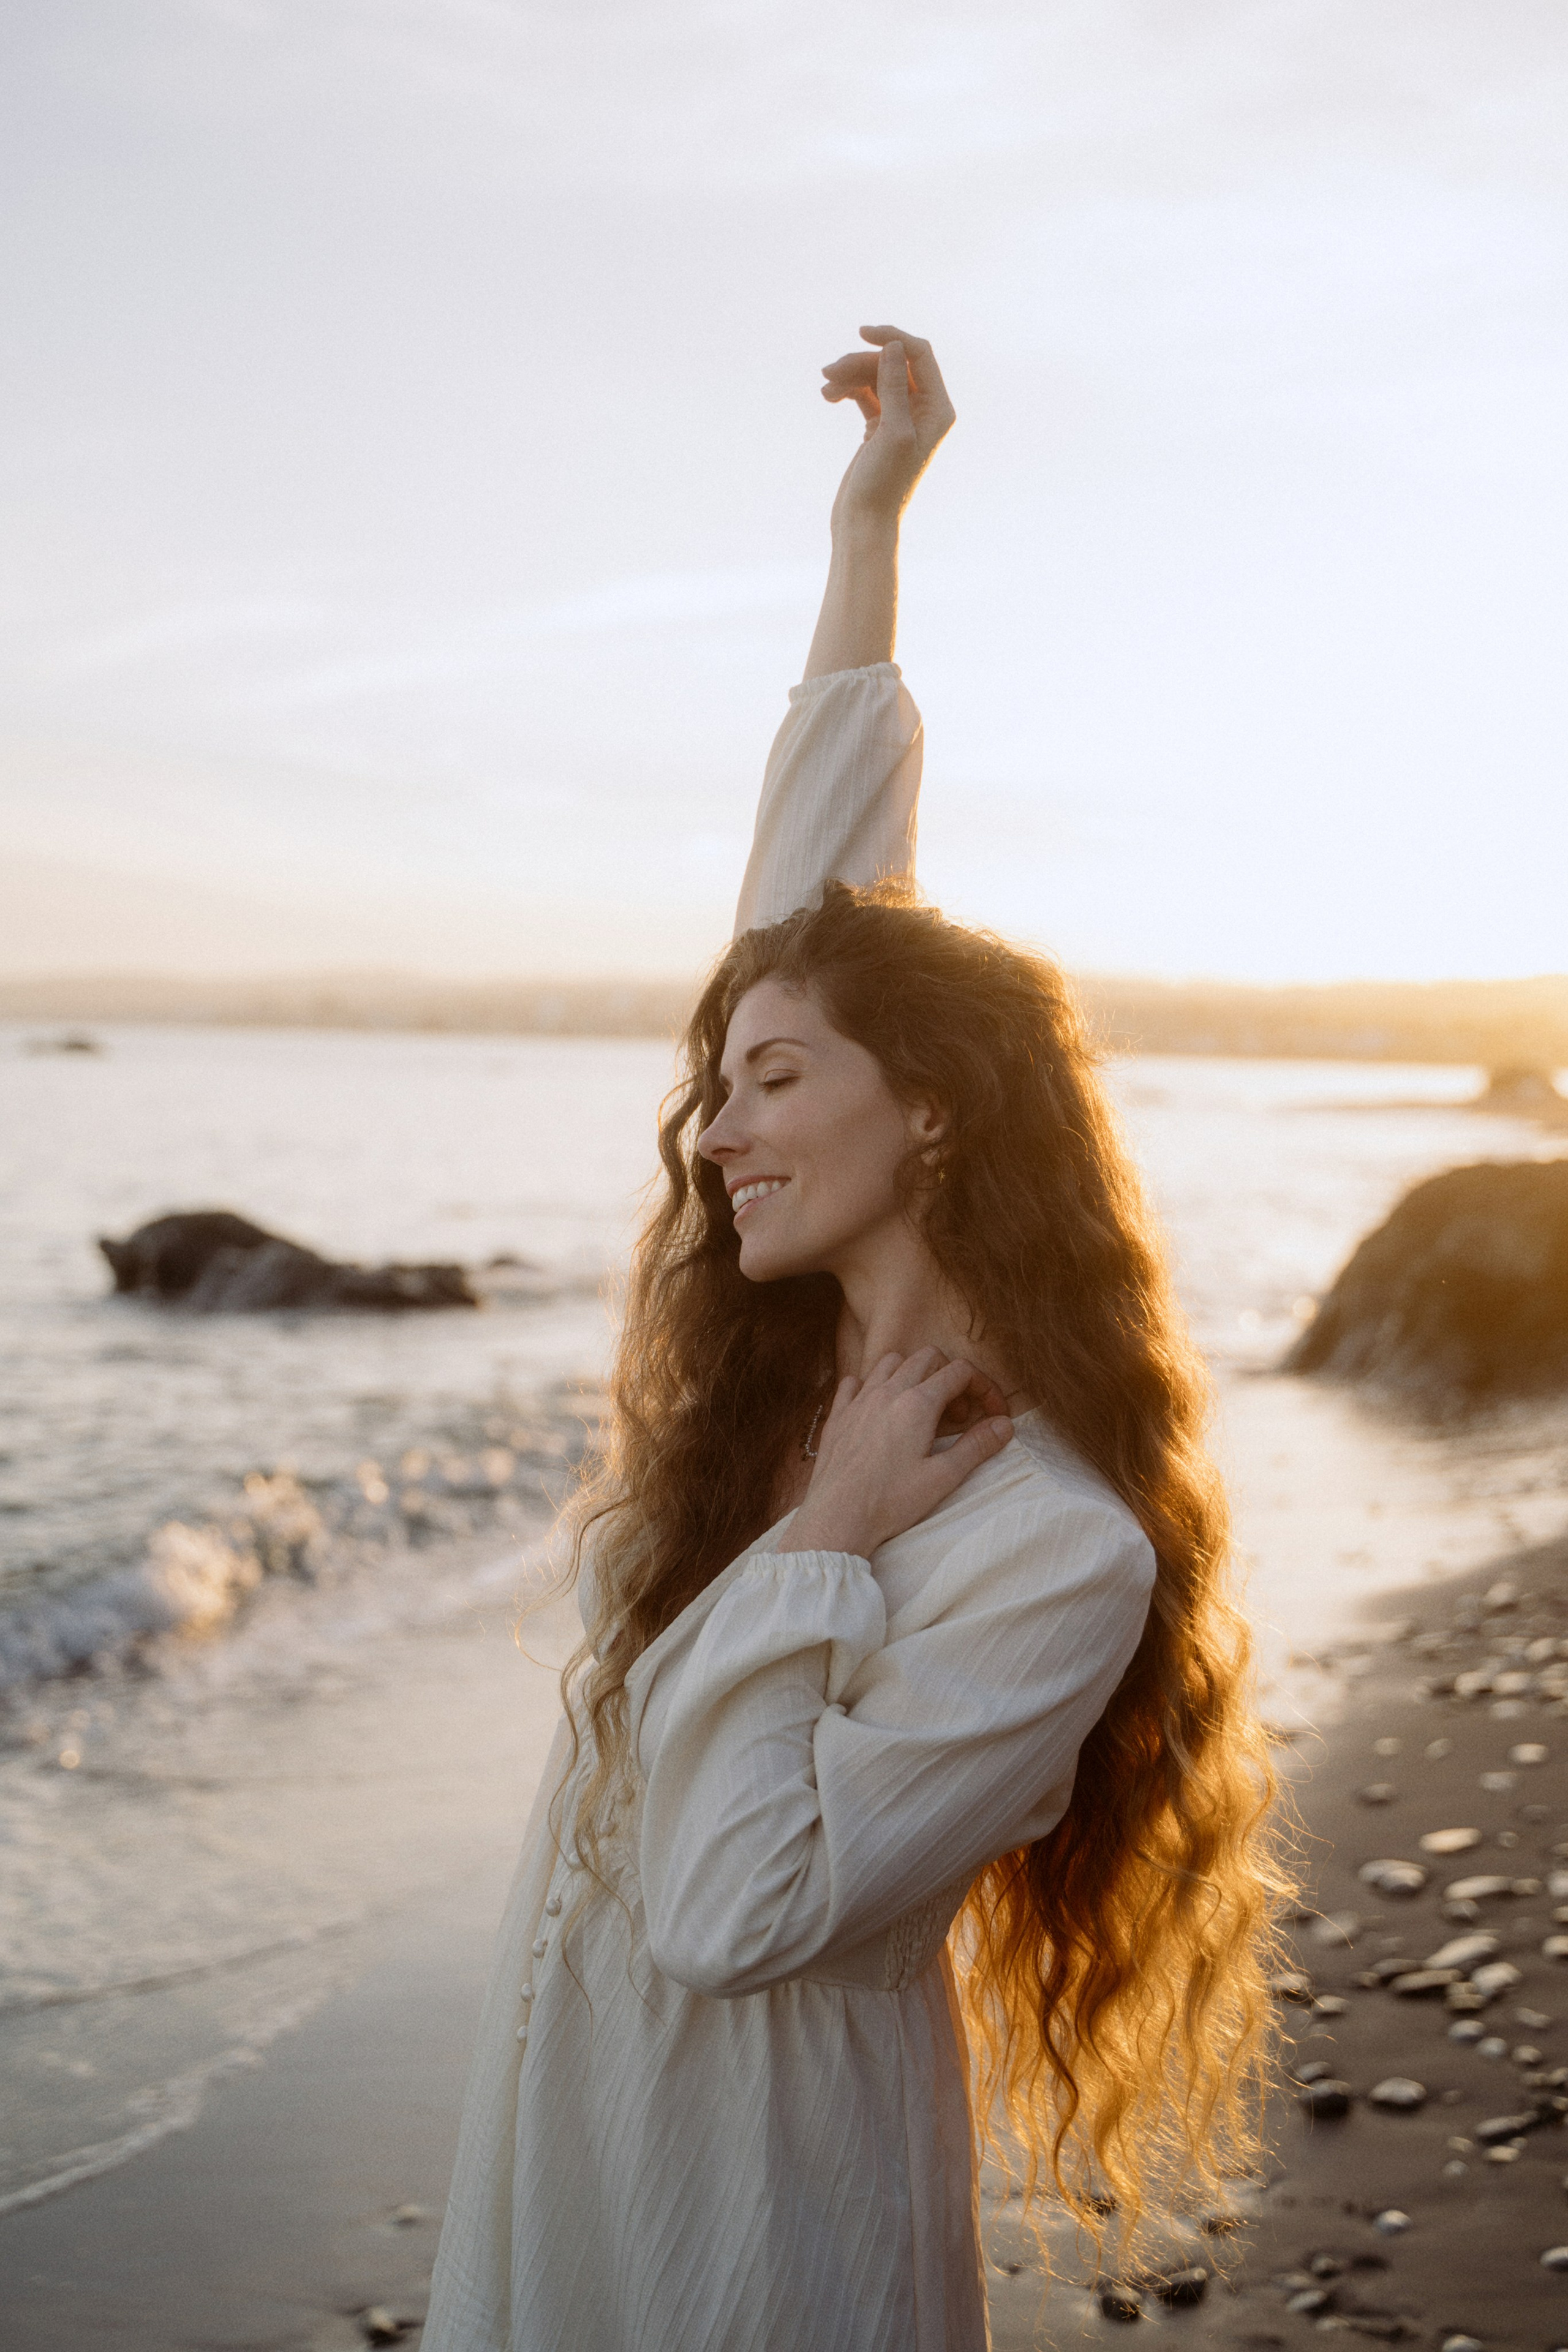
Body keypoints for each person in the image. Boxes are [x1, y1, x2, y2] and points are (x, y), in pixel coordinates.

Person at [424, 328, 1282, 2352]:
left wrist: (824, 1539)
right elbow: (815, 895)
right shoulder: (763, 1366)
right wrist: (868, 525)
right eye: (715, 1083)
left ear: (933, 1110)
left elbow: (737, 1914)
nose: (712, 1130)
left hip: (762, 2221)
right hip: (565, 2127)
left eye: (771, 1080)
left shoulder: (1054, 1546)